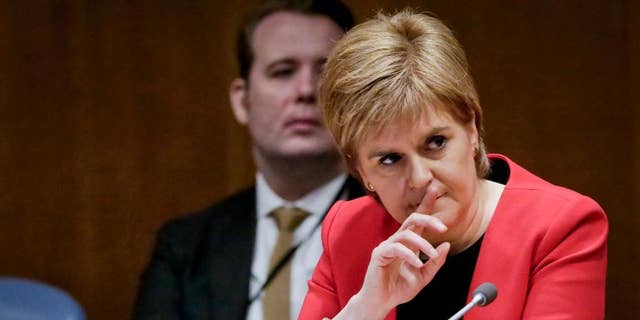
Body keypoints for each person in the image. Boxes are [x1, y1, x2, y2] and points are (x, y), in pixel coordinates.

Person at [298, 9, 608, 320]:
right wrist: (365, 309)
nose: (419, 178)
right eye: (390, 159)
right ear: (361, 171)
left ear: (472, 130)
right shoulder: (347, 233)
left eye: (435, 143)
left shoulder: (558, 228)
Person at [132, 1, 361, 320]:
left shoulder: (401, 226)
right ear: (242, 100)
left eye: (325, 71)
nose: (306, 90)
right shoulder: (185, 247)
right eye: (283, 71)